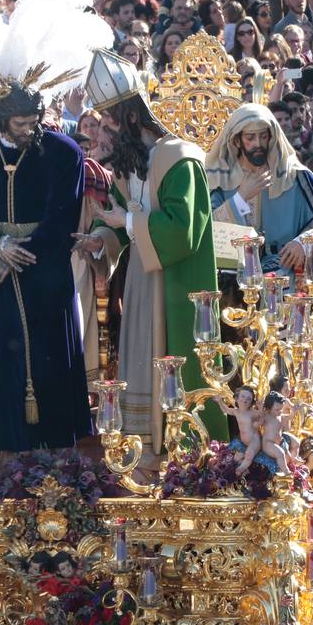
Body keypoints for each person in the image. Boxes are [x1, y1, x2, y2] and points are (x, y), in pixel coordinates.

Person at [78, 50, 224, 462]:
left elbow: (183, 231)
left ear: (128, 117)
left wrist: (127, 222)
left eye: (108, 120)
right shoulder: (131, 164)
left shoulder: (180, 159)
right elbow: (124, 223)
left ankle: (185, 452)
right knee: (141, 357)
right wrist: (103, 238)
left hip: (175, 284)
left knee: (177, 361)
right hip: (142, 280)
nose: (103, 132)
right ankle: (142, 447)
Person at [0, 65, 93, 453]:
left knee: (50, 365)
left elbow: (62, 217)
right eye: (19, 122)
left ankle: (55, 450)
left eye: (34, 121)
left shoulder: (64, 152)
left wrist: (16, 255)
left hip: (45, 275)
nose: (29, 129)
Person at [205, 103, 313, 277]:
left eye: (263, 136)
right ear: (237, 140)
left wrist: (304, 242)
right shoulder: (219, 179)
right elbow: (208, 233)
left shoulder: (295, 176)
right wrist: (240, 198)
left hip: (288, 279)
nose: (258, 144)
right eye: (250, 137)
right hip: (233, 280)